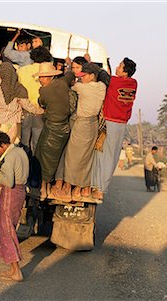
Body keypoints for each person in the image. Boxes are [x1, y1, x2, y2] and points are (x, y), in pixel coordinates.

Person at [91, 57, 138, 200]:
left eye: (120, 65)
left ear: (124, 72)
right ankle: (99, 186)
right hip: (122, 124)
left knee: (103, 153)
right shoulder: (133, 83)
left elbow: (103, 74)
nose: (118, 67)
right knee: (110, 155)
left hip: (110, 122)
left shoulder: (115, 81)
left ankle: (99, 189)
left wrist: (91, 62)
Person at [0, 49, 43, 143]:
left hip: (0, 121)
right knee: (12, 145)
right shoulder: (19, 89)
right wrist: (40, 111)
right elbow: (28, 106)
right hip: (14, 124)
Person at [0, 131, 29, 282]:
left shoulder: (10, 156)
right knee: (10, 228)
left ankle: (16, 271)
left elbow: (8, 182)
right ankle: (13, 269)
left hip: (11, 194)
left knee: (7, 230)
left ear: (3, 145)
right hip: (21, 192)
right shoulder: (20, 151)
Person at [62, 63, 106, 201]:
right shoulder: (102, 87)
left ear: (92, 76)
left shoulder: (81, 87)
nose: (82, 78)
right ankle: (83, 187)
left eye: (84, 76)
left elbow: (68, 84)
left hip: (82, 123)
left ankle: (69, 186)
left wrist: (69, 67)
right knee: (87, 157)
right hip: (94, 124)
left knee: (72, 155)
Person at [34, 62, 75, 200]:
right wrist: (68, 66)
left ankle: (43, 188)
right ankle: (46, 186)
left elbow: (42, 103)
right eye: (40, 77)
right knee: (49, 157)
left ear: (51, 77)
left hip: (53, 128)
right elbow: (70, 74)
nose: (41, 80)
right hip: (64, 128)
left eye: (43, 77)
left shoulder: (44, 91)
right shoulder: (63, 83)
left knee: (45, 159)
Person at [17, 46, 53, 153]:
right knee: (37, 143)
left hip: (25, 109)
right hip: (41, 110)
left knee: (24, 141)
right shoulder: (48, 73)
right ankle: (34, 166)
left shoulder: (21, 70)